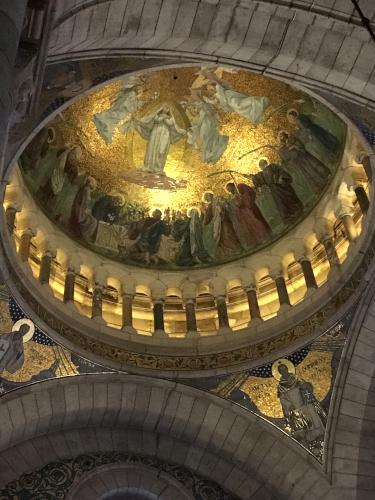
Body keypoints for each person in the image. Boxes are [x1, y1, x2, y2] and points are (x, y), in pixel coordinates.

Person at [276, 362, 326, 443]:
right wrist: (289, 406)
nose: (284, 371)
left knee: (314, 417)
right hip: (296, 407)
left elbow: (307, 387)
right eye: (281, 370)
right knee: (306, 423)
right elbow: (283, 399)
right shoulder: (281, 386)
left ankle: (321, 433)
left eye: (284, 369)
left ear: (287, 369)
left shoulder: (296, 378)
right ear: (280, 372)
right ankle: (312, 438)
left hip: (305, 402)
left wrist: (305, 386)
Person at [127, 105, 186, 174]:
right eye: (165, 107)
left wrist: (166, 118)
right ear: (162, 108)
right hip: (156, 133)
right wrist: (161, 117)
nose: (166, 109)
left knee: (162, 150)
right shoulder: (157, 115)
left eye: (167, 108)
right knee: (152, 148)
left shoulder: (171, 117)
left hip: (165, 134)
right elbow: (155, 120)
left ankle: (159, 168)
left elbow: (171, 124)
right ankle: (149, 166)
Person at [251, 159, 303, 224]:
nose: (262, 166)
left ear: (266, 163)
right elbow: (257, 179)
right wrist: (253, 177)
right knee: (281, 203)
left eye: (262, 164)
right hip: (274, 190)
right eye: (260, 165)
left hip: (282, 186)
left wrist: (281, 178)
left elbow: (281, 171)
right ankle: (289, 217)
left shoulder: (273, 166)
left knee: (289, 198)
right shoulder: (261, 174)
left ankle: (297, 211)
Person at [93, 76, 143, 144]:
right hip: (121, 109)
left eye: (140, 91)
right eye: (139, 90)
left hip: (121, 110)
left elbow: (122, 97)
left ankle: (105, 127)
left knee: (113, 119)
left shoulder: (130, 93)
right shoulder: (131, 93)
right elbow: (130, 105)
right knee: (112, 116)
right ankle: (104, 127)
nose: (140, 91)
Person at [225, 182, 271, 248]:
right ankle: (257, 240)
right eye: (228, 190)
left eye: (229, 189)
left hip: (249, 209)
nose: (230, 191)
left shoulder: (240, 187)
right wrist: (237, 204)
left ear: (233, 186)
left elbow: (249, 194)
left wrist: (244, 199)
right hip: (244, 213)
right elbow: (237, 205)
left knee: (256, 222)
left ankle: (264, 237)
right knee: (250, 226)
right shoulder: (234, 195)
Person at [201, 191, 242, 259]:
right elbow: (208, 216)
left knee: (228, 233)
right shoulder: (210, 206)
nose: (207, 198)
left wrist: (222, 209)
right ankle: (229, 251)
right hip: (218, 223)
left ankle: (236, 249)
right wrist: (204, 223)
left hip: (224, 220)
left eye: (207, 196)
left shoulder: (218, 199)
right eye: (206, 198)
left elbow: (226, 205)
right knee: (222, 236)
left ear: (211, 195)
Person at [186, 99, 228, 163]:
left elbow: (207, 120)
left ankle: (209, 155)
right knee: (207, 141)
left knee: (207, 140)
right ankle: (209, 156)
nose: (195, 109)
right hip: (206, 129)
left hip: (208, 128)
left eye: (195, 107)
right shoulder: (199, 115)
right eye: (193, 108)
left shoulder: (204, 112)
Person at [69, 176, 98, 241]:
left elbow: (84, 202)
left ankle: (83, 234)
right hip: (80, 211)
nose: (93, 185)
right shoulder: (87, 190)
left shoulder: (85, 189)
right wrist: (87, 210)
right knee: (94, 221)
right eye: (92, 183)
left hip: (80, 209)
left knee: (93, 220)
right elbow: (85, 202)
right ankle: (84, 235)